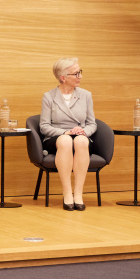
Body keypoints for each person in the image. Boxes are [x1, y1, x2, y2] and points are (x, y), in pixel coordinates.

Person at [39, 58, 96, 211]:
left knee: (81, 141)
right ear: (63, 77)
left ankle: (78, 194)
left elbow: (92, 123)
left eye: (80, 72)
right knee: (65, 140)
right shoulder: (49, 97)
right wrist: (66, 132)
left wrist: (84, 132)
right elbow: (44, 126)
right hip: (56, 137)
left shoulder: (86, 95)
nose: (80, 76)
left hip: (80, 136)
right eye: (76, 73)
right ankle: (67, 193)